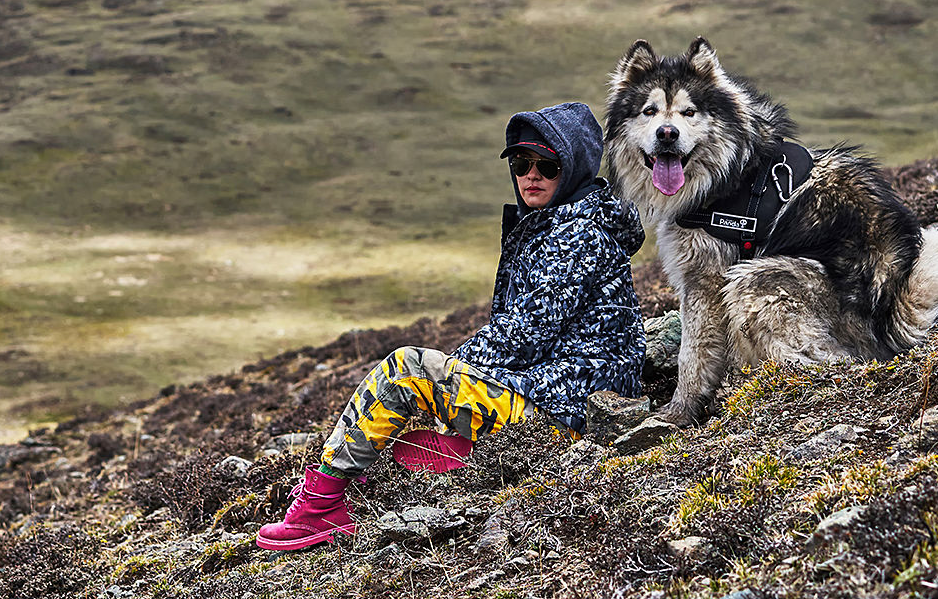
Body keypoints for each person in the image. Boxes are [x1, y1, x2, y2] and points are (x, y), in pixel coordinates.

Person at [255, 102, 647, 551]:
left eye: (547, 165)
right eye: (521, 162)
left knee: (405, 370)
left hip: (571, 416)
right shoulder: (557, 223)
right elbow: (533, 342)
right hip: (561, 396)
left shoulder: (578, 234)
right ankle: (461, 451)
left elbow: (525, 333)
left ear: (573, 168)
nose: (531, 175)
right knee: (429, 392)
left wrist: (444, 376)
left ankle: (320, 509)